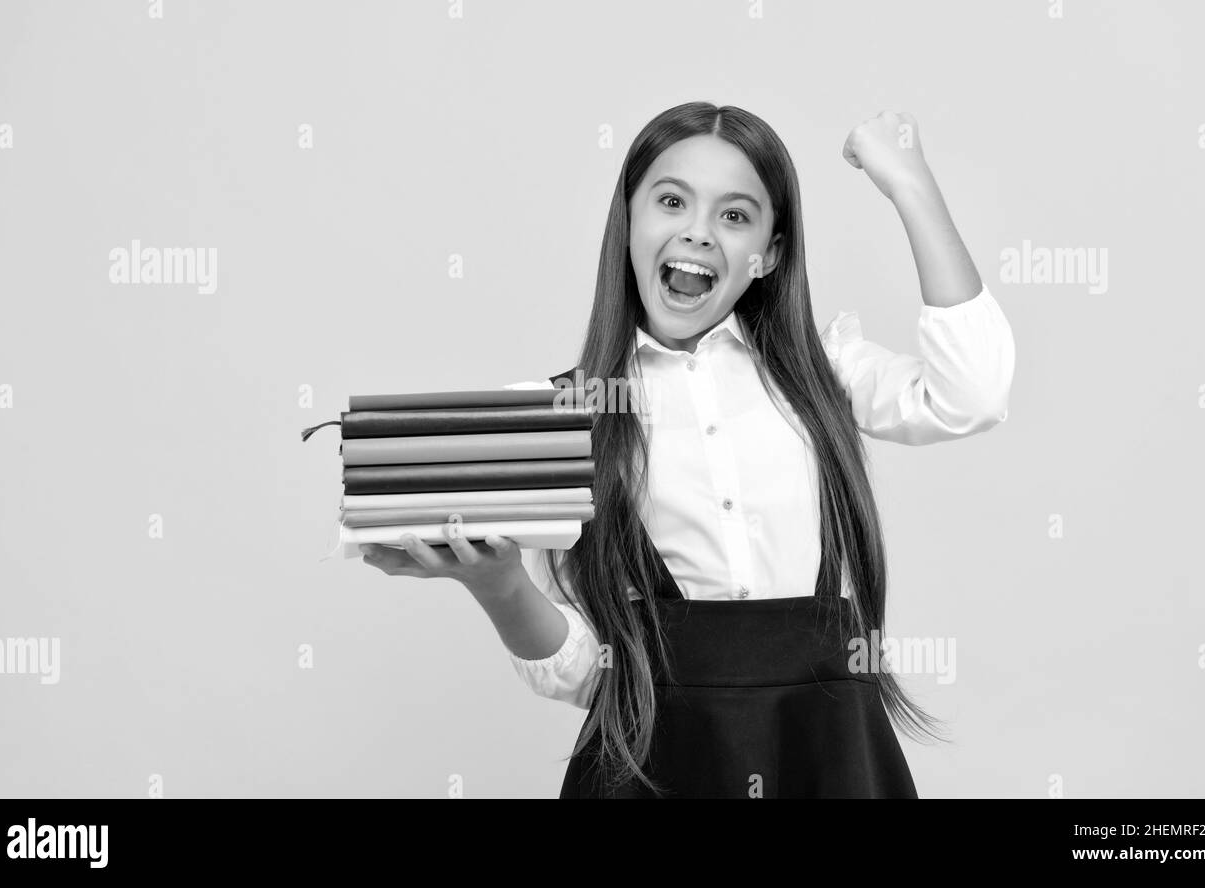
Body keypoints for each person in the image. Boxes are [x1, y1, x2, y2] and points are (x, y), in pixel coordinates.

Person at [361, 102, 1015, 798]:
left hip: (830, 755)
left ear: (770, 254)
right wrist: (497, 586)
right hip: (653, 768)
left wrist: (910, 186)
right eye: (672, 201)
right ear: (630, 222)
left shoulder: (824, 371)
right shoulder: (559, 417)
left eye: (735, 216)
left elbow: (970, 394)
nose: (698, 232)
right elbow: (586, 674)